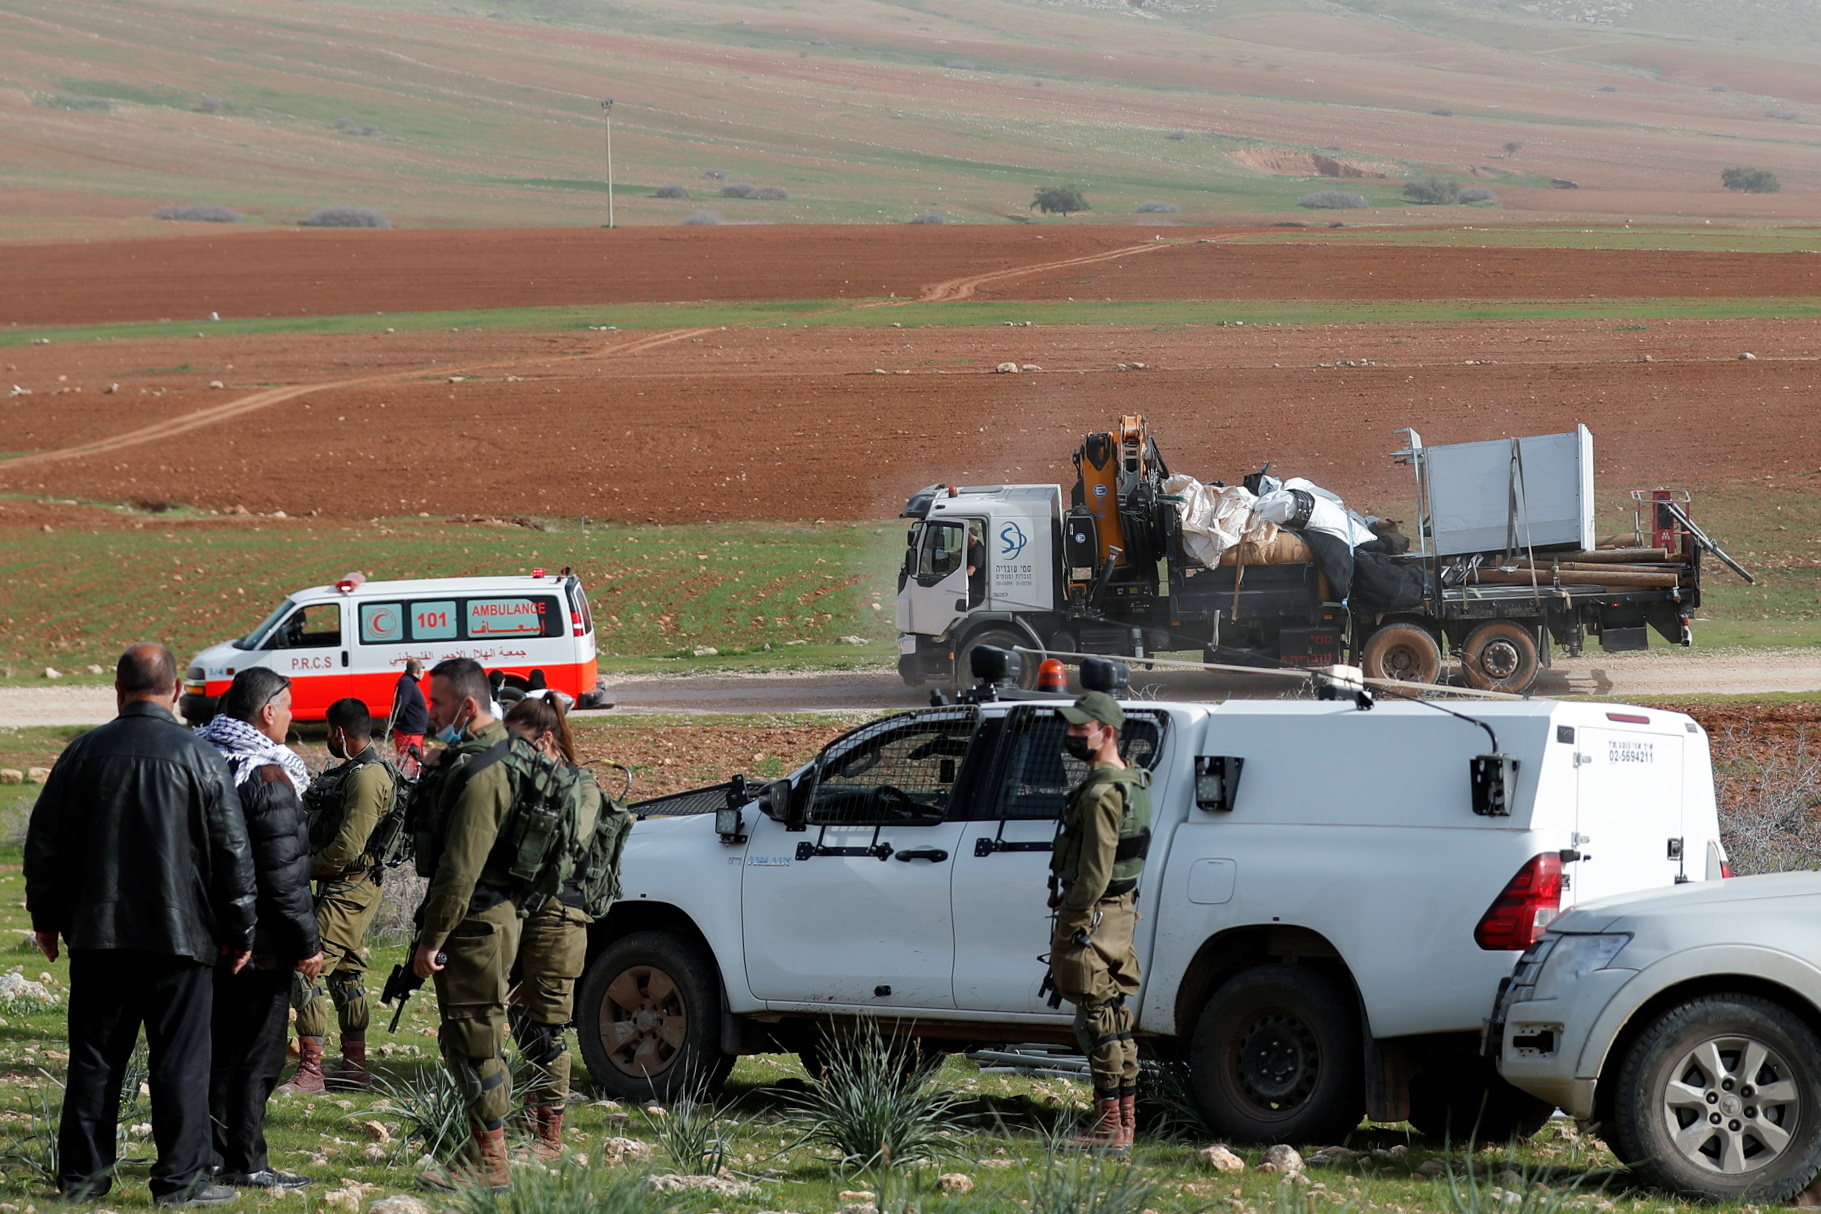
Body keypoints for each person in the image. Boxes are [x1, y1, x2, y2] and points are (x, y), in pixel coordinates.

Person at [24, 643, 256, 1207]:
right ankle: (180, 1183)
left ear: (117, 690)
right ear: (177, 691)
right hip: (183, 940)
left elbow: (44, 846)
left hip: (98, 937)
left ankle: (82, 1180)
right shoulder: (200, 758)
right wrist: (241, 930)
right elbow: (232, 853)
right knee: (180, 1061)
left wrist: (47, 919)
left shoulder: (81, 754)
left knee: (95, 1059)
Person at [195, 669, 323, 1189]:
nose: (292, 716)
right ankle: (246, 1160)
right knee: (259, 1054)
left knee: (216, 1051)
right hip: (261, 943)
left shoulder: (200, 757)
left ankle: (210, 1153)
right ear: (267, 710)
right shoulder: (267, 774)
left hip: (204, 934)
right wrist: (306, 943)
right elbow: (283, 873)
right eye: (288, 706)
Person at [502, 693, 630, 1159]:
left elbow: (567, 845)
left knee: (549, 1024)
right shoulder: (518, 782)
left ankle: (548, 1136)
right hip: (519, 909)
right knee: (516, 1011)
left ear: (547, 740)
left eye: (520, 744)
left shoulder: (583, 787)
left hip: (560, 913)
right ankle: (533, 1101)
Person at [412, 657, 520, 1192]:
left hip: (475, 923)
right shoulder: (494, 750)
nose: (430, 712)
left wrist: (431, 940)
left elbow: (460, 869)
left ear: (468, 706)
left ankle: (491, 1164)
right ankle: (481, 1152)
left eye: (437, 702)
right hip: (486, 917)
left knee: (475, 1039)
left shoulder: (481, 776)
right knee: (469, 1036)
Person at [1048, 690, 1153, 1153]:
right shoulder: (1134, 782)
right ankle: (1122, 1123)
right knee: (1113, 1018)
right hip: (1120, 914)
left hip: (1094, 918)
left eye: (1079, 728)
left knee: (1096, 1022)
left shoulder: (1099, 795)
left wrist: (1070, 923)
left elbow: (1093, 873)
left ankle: (1110, 1129)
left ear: (1106, 732)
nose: (1070, 735)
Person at [282, 697, 396, 1093]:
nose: (329, 739)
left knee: (305, 966)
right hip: (344, 885)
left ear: (340, 733)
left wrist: (300, 868)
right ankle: (354, 1067)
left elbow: (347, 848)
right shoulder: (353, 770)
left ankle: (312, 1071)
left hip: (352, 887)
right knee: (346, 971)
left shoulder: (367, 778)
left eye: (330, 732)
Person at [390, 659, 428, 777]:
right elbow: (401, 704)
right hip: (408, 732)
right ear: (418, 670)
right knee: (408, 764)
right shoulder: (406, 683)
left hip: (414, 731)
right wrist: (397, 721)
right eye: (422, 669)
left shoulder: (409, 682)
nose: (423, 672)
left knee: (416, 763)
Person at [966, 521, 988, 606]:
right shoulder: (971, 548)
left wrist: (954, 576)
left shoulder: (977, 551)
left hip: (975, 585)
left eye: (966, 538)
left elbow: (970, 572)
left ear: (972, 540)